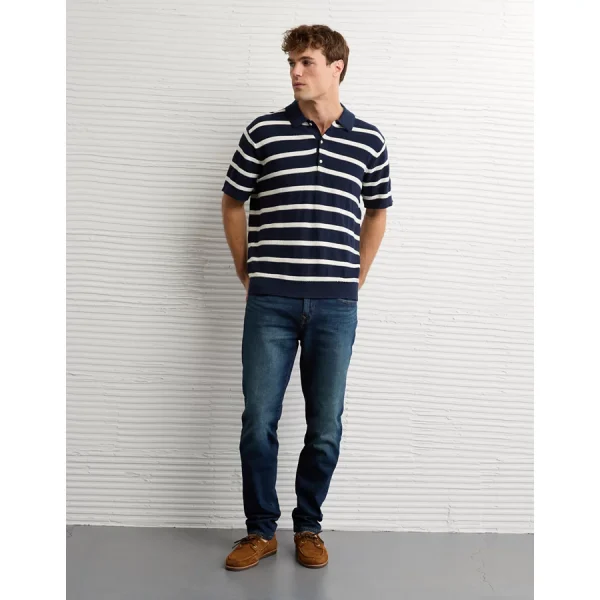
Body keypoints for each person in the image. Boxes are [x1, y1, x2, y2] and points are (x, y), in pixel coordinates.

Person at [221, 24, 392, 571]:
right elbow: (232, 202)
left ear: (336, 67)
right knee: (258, 421)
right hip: (270, 302)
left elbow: (377, 212)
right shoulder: (264, 132)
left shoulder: (369, 141)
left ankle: (308, 526)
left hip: (336, 306)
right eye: (291, 63)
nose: (295, 72)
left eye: (307, 62)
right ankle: (260, 531)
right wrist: (245, 267)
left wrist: (356, 275)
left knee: (325, 426)